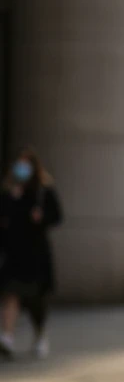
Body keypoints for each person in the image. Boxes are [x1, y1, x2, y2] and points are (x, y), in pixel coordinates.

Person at [0, 147, 63, 359]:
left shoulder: (43, 191)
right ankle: (7, 337)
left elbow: (57, 216)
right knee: (10, 294)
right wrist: (12, 200)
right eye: (20, 164)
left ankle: (40, 336)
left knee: (36, 300)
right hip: (14, 254)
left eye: (26, 164)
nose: (22, 168)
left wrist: (41, 217)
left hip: (36, 255)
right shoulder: (10, 191)